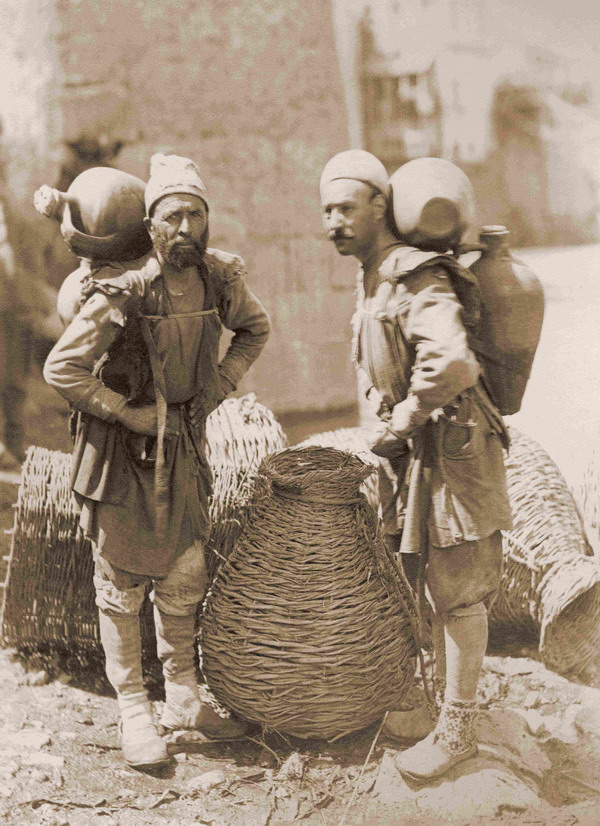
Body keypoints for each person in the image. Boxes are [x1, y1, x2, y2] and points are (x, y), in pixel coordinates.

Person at [44, 154, 270, 771]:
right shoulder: (127, 290)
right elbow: (62, 368)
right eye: (172, 217)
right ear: (150, 225)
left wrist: (219, 383)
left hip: (183, 449)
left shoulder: (219, 280)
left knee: (184, 573)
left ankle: (185, 699)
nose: (186, 229)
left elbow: (255, 329)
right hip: (121, 454)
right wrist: (124, 411)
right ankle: (133, 710)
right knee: (121, 583)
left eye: (196, 215)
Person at [319, 150, 512, 781]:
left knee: (458, 591)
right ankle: (427, 709)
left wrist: (402, 419)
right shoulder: (375, 275)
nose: (334, 221)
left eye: (347, 207)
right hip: (419, 450)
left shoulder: (414, 275)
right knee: (422, 578)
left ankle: (458, 732)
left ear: (381, 206)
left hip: (453, 447)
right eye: (326, 210)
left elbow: (452, 362)